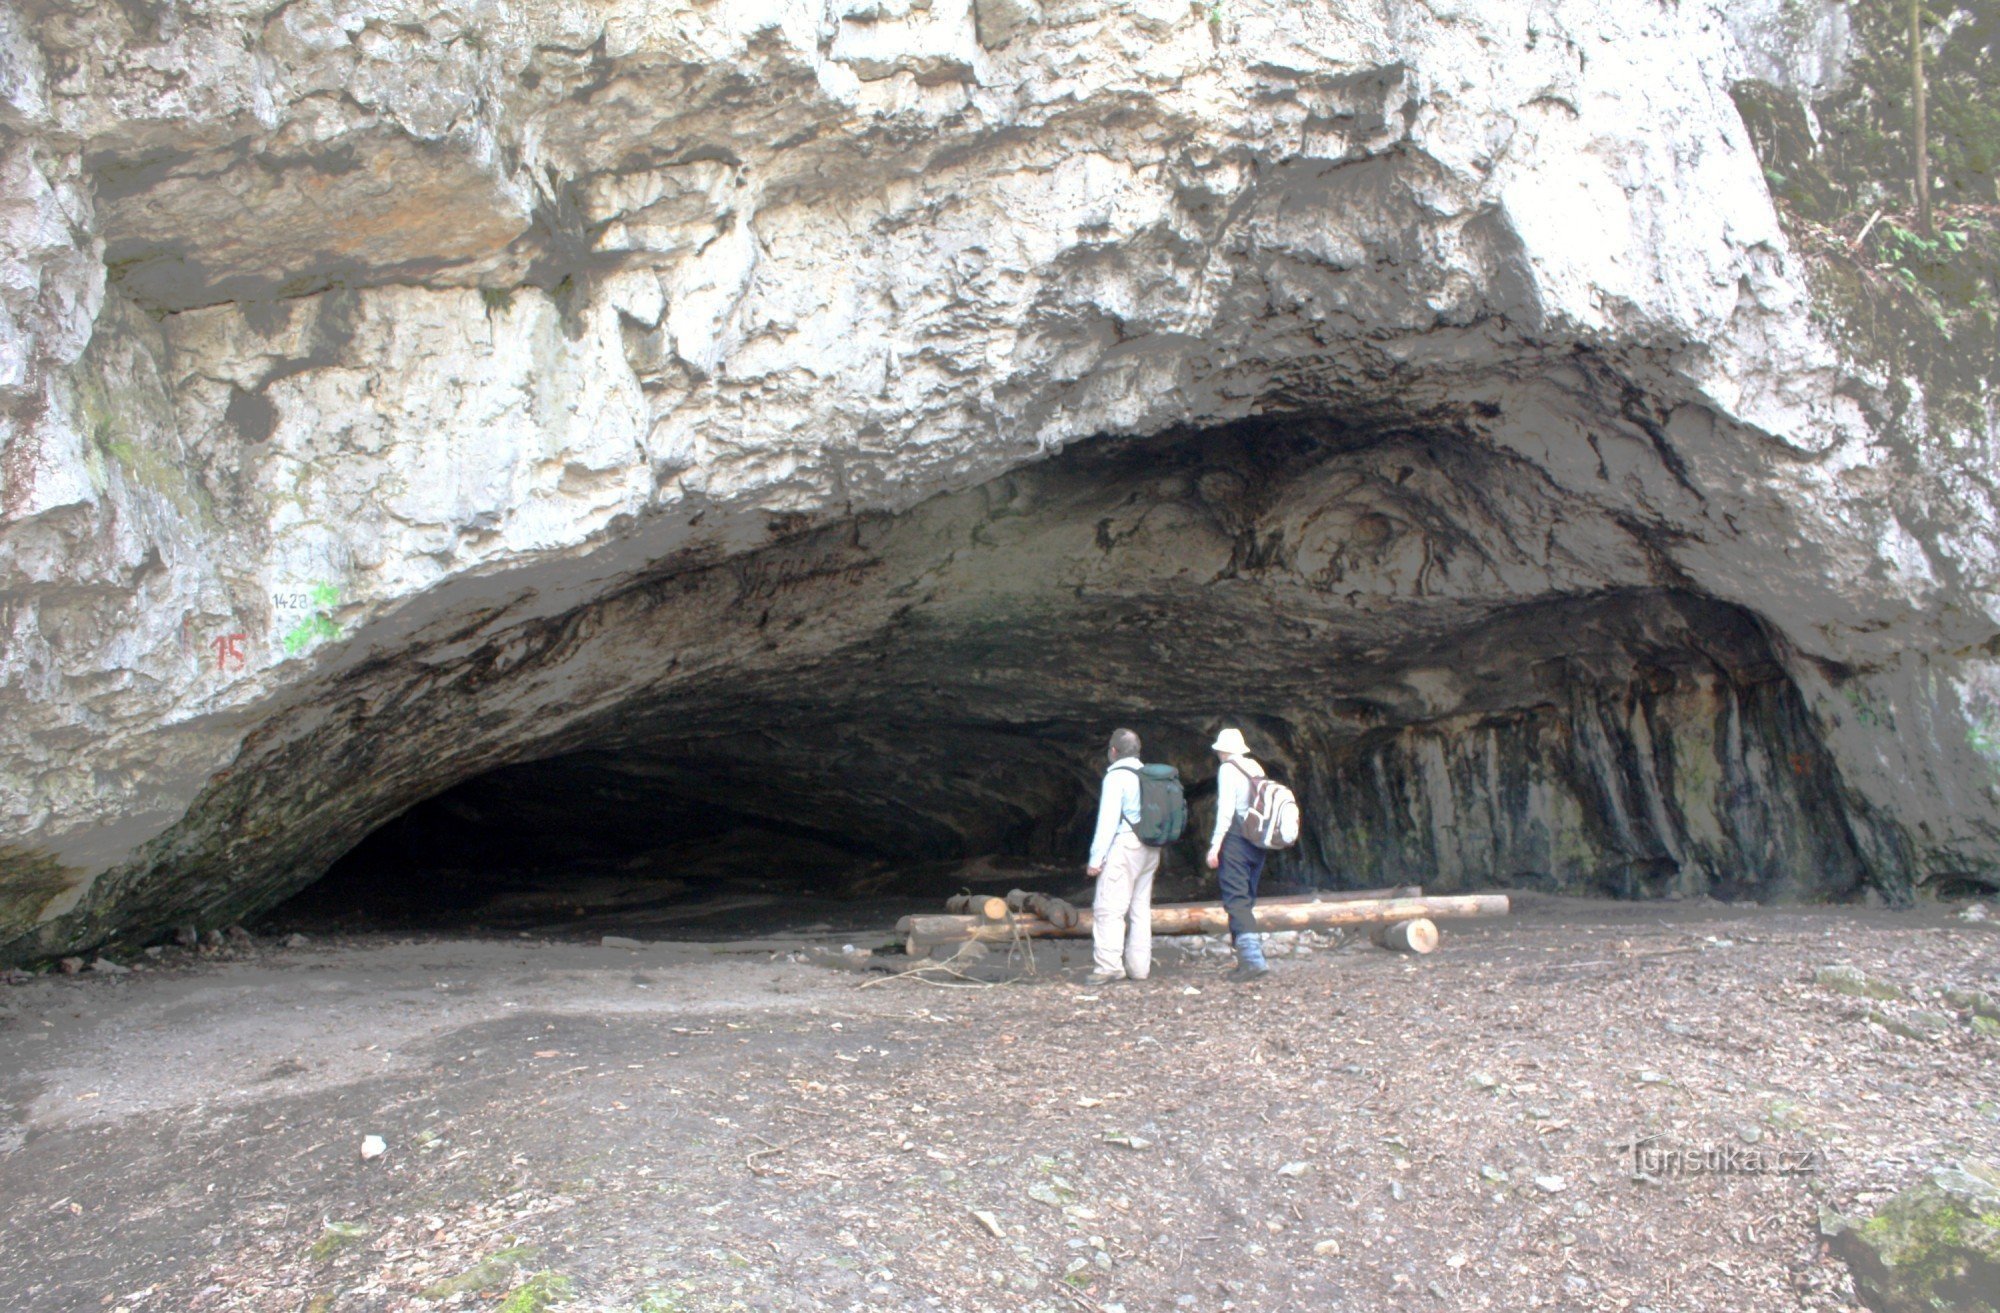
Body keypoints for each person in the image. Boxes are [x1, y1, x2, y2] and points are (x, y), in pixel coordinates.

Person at [1084, 727, 1159, 985]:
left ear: (1113, 751)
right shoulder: (1149, 774)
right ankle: (1139, 968)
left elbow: (1107, 822)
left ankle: (1109, 967)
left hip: (1126, 846)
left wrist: (1096, 860)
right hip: (1151, 847)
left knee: (1109, 908)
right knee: (1140, 908)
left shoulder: (1116, 776)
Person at [1206, 726, 1269, 980]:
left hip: (1237, 839)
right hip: (1258, 841)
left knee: (1236, 899)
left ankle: (1252, 960)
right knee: (1247, 897)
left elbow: (1226, 811)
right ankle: (1247, 959)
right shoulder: (1255, 767)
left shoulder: (1228, 769)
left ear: (1222, 751)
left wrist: (1215, 845)